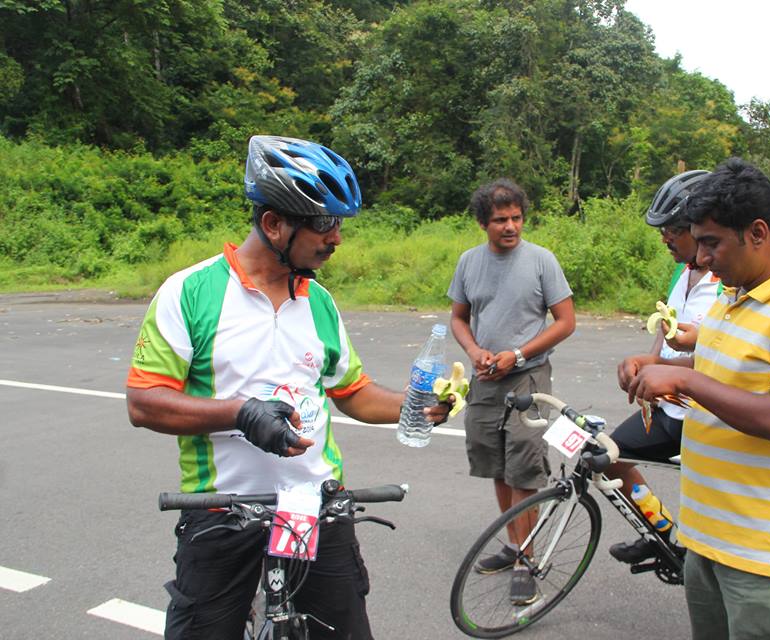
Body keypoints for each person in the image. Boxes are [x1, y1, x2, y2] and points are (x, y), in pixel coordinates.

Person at [125, 135, 452, 640]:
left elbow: (353, 392)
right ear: (274, 223)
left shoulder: (318, 301)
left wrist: (416, 405)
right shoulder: (190, 292)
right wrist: (241, 413)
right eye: (323, 223)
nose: (336, 238)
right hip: (222, 509)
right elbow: (144, 403)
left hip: (313, 506)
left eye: (339, 224)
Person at [628, 158, 770, 640]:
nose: (701, 258)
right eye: (698, 242)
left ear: (757, 233)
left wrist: (684, 383)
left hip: (759, 549)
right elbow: (717, 370)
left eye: (711, 243)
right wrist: (658, 367)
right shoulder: (732, 295)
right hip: (705, 534)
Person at [447, 178, 576, 605]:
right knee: (498, 465)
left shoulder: (541, 261)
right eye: (501, 219)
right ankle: (514, 543)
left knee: (523, 466)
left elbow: (565, 322)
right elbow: (459, 318)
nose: (510, 226)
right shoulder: (469, 262)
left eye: (517, 218)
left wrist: (518, 354)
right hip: (486, 380)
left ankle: (526, 560)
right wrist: (475, 351)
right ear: (483, 223)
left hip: (528, 378)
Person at [605, 170, 721, 565]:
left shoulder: (729, 283)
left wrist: (671, 371)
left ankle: (702, 558)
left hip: (707, 415)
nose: (665, 238)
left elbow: (728, 357)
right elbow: (664, 341)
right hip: (670, 409)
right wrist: (643, 362)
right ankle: (660, 530)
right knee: (608, 456)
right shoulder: (681, 272)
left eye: (672, 229)